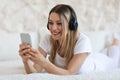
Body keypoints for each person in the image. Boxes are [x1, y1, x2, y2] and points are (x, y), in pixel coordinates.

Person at [19, 4, 120, 75]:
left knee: (114, 57)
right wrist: (26, 61)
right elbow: (35, 72)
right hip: (89, 56)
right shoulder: (47, 39)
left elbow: (69, 72)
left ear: (71, 25)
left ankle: (116, 39)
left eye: (59, 23)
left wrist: (44, 62)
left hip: (100, 64)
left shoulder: (83, 41)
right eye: (50, 22)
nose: (53, 28)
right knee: (104, 52)